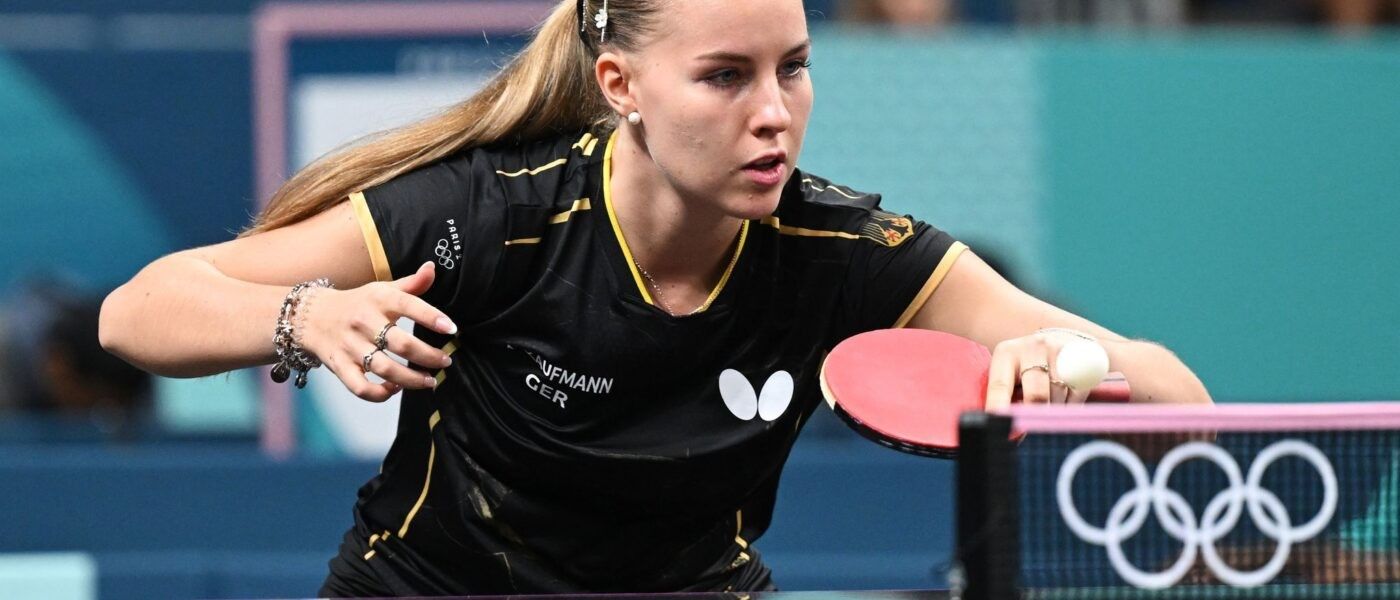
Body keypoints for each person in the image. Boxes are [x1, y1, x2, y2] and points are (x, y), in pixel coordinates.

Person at [98, 0, 1212, 595]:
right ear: (619, 84)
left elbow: (1177, 395)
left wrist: (1070, 381)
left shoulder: (840, 252)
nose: (773, 112)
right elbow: (138, 310)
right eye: (725, 76)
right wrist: (302, 315)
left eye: (793, 66)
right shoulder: (497, 214)